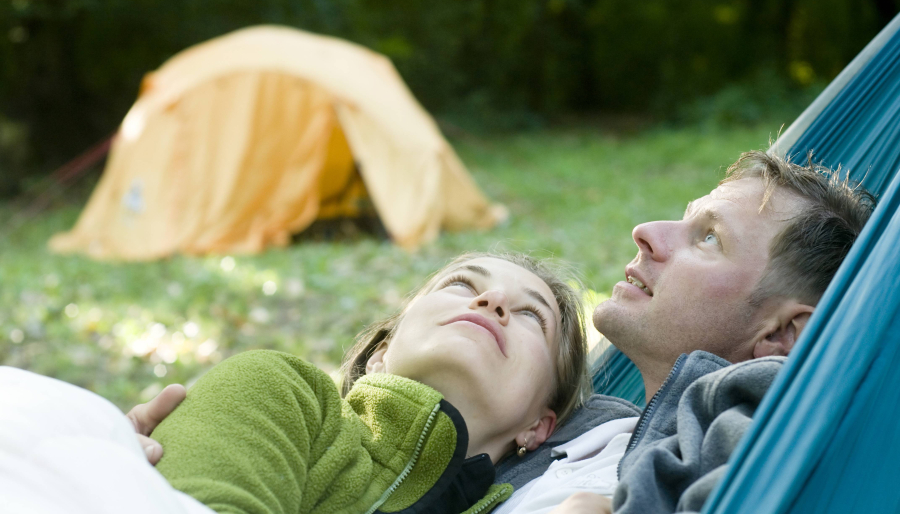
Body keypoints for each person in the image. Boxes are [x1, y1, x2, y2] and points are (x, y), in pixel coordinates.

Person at [134, 150, 875, 514]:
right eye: (462, 284)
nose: (646, 233)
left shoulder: (773, 429)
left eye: (707, 238)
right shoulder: (587, 435)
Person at [1, 252, 606, 514]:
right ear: (382, 351)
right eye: (459, 284)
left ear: (540, 425)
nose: (492, 299)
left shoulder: (526, 504)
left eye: (531, 315)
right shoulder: (277, 391)